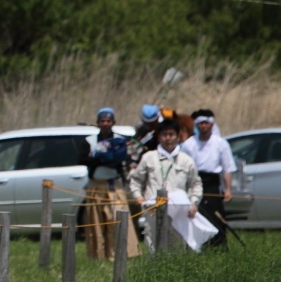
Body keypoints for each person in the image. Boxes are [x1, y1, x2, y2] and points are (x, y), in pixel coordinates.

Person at [128, 119, 202, 253]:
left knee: (177, 247)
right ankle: (153, 272)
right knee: (152, 244)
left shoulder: (186, 160)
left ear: (178, 137)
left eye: (171, 134)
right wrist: (139, 198)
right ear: (158, 137)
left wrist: (194, 202)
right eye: (164, 134)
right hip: (152, 209)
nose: (168, 138)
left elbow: (195, 184)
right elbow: (136, 180)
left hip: (178, 212)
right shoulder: (148, 157)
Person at [80, 107, 140, 260]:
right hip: (95, 185)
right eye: (102, 121)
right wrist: (103, 158)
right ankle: (98, 255)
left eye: (108, 121)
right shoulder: (89, 141)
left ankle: (118, 254)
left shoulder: (120, 140)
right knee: (96, 223)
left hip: (114, 186)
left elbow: (118, 160)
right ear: (98, 123)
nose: (105, 124)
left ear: (113, 122)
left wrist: (99, 157)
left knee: (116, 219)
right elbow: (83, 159)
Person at [181, 109, 236, 249]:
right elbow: (183, 167)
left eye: (207, 123)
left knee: (216, 216)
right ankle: (197, 247)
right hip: (194, 182)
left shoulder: (221, 143)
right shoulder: (188, 144)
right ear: (196, 125)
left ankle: (219, 246)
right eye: (201, 123)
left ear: (212, 124)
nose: (204, 126)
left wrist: (228, 189)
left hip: (213, 184)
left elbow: (227, 168)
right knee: (195, 216)